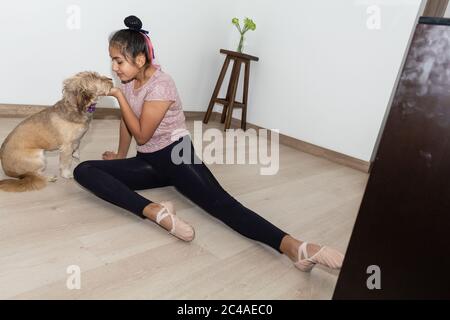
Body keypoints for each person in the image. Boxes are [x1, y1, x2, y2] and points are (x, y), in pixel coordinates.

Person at [73, 15, 344, 272]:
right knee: (84, 171)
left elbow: (142, 134)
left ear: (140, 59)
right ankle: (154, 210)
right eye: (113, 61)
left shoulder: (161, 85)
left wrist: (118, 97)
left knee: (222, 204)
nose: (114, 68)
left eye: (119, 61)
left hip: (176, 156)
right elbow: (128, 122)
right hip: (149, 161)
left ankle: (294, 247)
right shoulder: (131, 81)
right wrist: (121, 155)